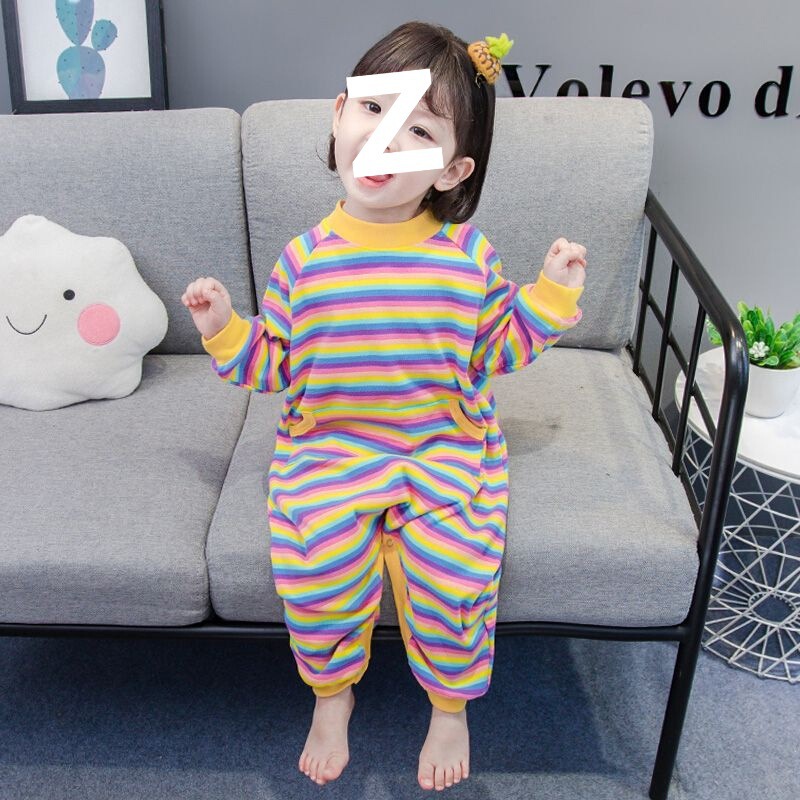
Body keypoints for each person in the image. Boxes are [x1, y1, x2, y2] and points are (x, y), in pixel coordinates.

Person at [181, 20, 587, 793]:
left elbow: (498, 345)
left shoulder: (468, 258)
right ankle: (331, 697)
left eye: (419, 131)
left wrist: (551, 295)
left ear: (451, 169)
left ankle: (450, 706)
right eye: (373, 110)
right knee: (317, 571)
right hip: (329, 452)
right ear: (340, 115)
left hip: (443, 450)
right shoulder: (304, 261)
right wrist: (224, 328)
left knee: (455, 575)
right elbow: (275, 364)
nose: (385, 140)